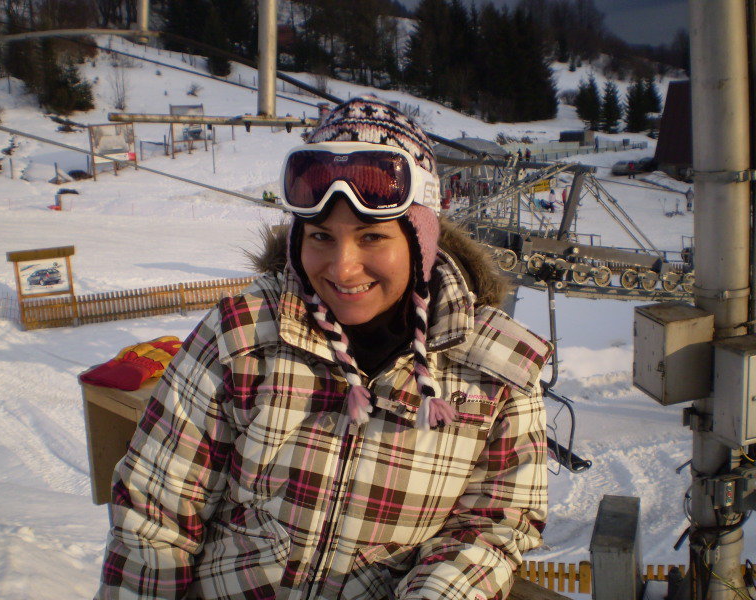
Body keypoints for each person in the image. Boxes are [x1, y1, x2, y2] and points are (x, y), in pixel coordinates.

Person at [95, 95, 552, 600]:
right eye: (320, 236)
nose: (342, 268)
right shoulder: (245, 335)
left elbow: (493, 526)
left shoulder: (495, 369)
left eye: (372, 237)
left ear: (420, 244)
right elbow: (156, 506)